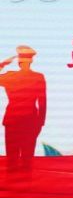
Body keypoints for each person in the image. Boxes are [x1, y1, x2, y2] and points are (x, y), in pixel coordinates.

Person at [0, 45, 47, 175]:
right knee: (27, 158)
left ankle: (12, 182)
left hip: (12, 118)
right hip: (30, 118)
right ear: (31, 60)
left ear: (19, 61)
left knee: (12, 157)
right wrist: (40, 122)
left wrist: (3, 64)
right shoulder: (38, 77)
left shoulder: (10, 76)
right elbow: (42, 102)